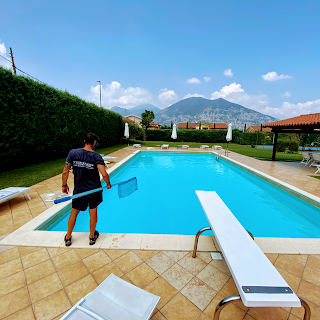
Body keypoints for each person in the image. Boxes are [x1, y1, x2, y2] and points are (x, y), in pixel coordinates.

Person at [61, 133, 112, 246]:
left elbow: (65, 171)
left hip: (79, 191)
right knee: (93, 212)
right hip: (94, 190)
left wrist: (64, 185)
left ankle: (68, 237)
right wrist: (108, 183)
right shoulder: (96, 157)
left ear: (84, 141)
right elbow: (104, 174)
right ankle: (92, 236)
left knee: (74, 212)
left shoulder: (73, 153)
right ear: (94, 142)